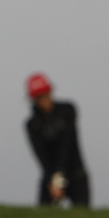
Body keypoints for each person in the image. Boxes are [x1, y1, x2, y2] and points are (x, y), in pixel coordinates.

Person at [22, 74, 90, 208]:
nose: (44, 100)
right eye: (39, 97)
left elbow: (67, 144)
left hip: (76, 174)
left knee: (82, 215)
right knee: (42, 216)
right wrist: (52, 181)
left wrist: (59, 176)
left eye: (46, 95)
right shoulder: (32, 125)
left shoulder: (68, 110)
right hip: (50, 176)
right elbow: (41, 156)